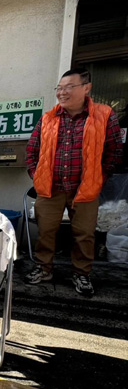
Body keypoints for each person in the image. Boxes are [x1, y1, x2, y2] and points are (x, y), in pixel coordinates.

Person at [25, 68, 122, 297]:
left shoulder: (105, 115)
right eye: (59, 88)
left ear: (86, 88)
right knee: (46, 230)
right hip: (50, 188)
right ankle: (43, 268)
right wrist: (36, 174)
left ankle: (81, 274)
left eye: (69, 87)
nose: (62, 92)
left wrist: (100, 178)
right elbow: (32, 150)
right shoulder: (48, 118)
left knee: (84, 234)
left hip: (86, 189)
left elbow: (115, 151)